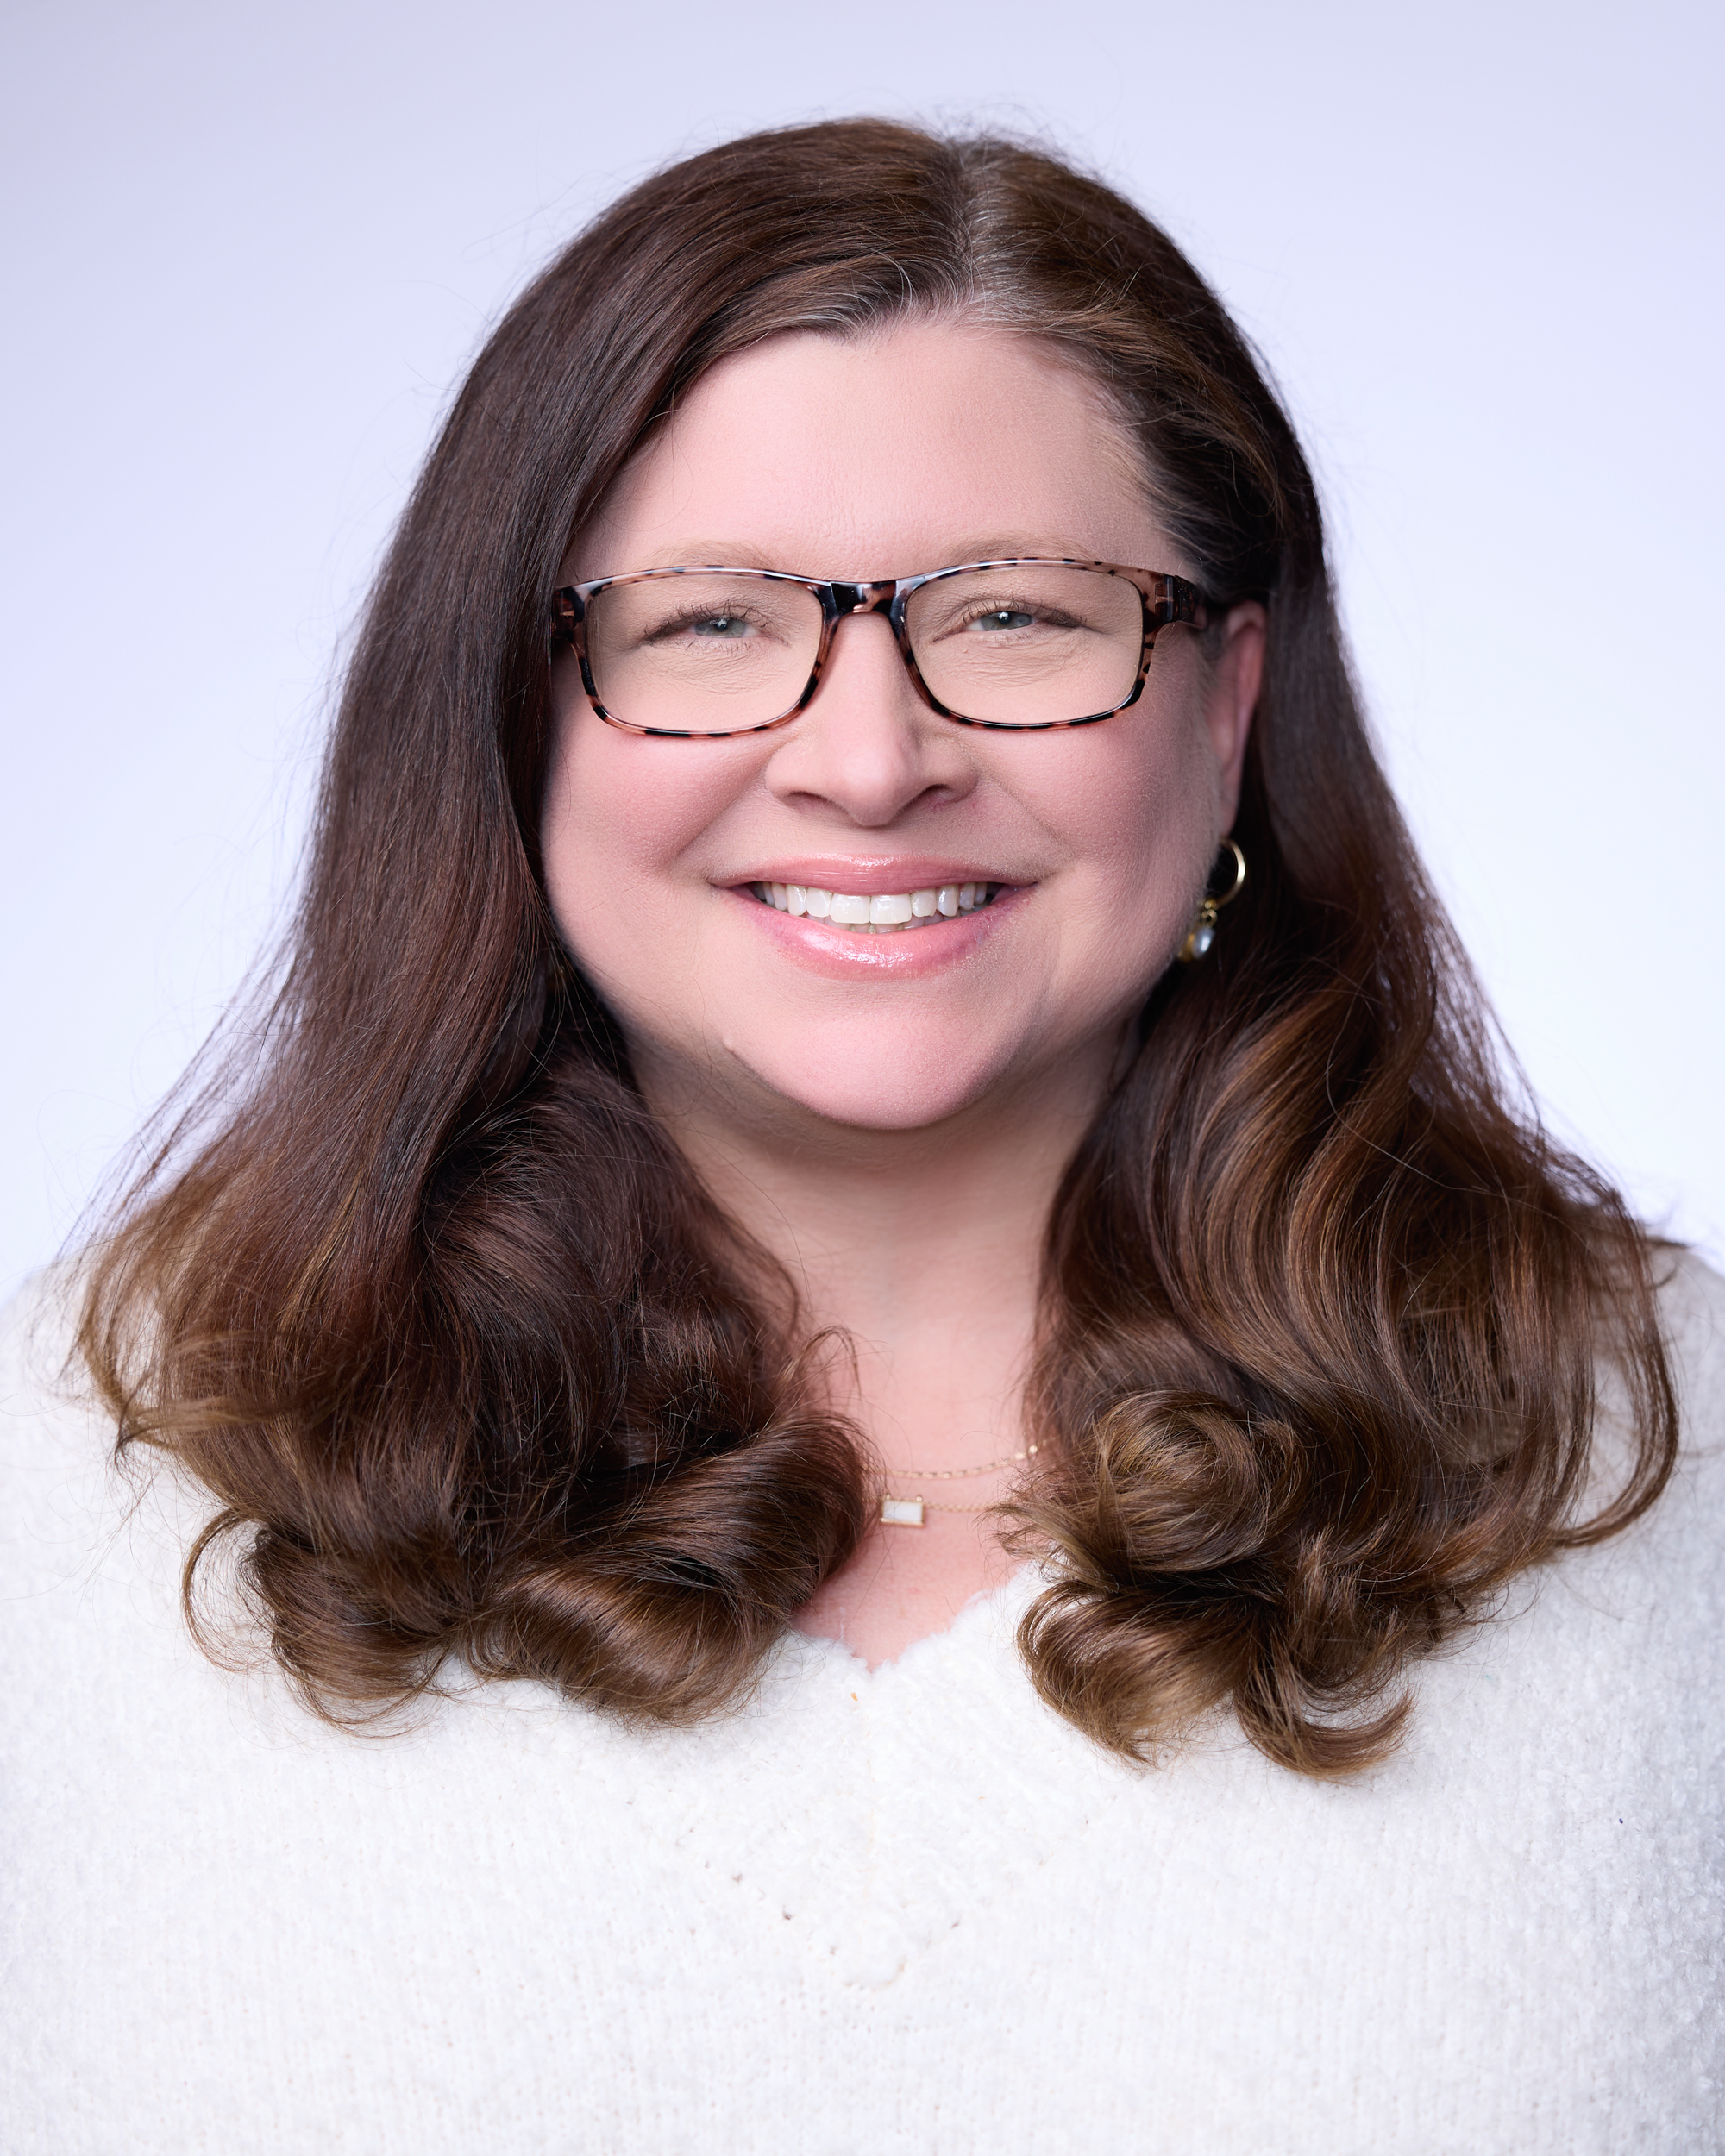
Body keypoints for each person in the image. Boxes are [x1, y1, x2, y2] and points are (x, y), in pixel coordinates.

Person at [3, 118, 1718, 2153]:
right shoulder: (75, 1487)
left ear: (1227, 704)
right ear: (507, 710)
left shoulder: (1664, 1455)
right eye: (708, 622)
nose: (870, 758)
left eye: (1016, 615)